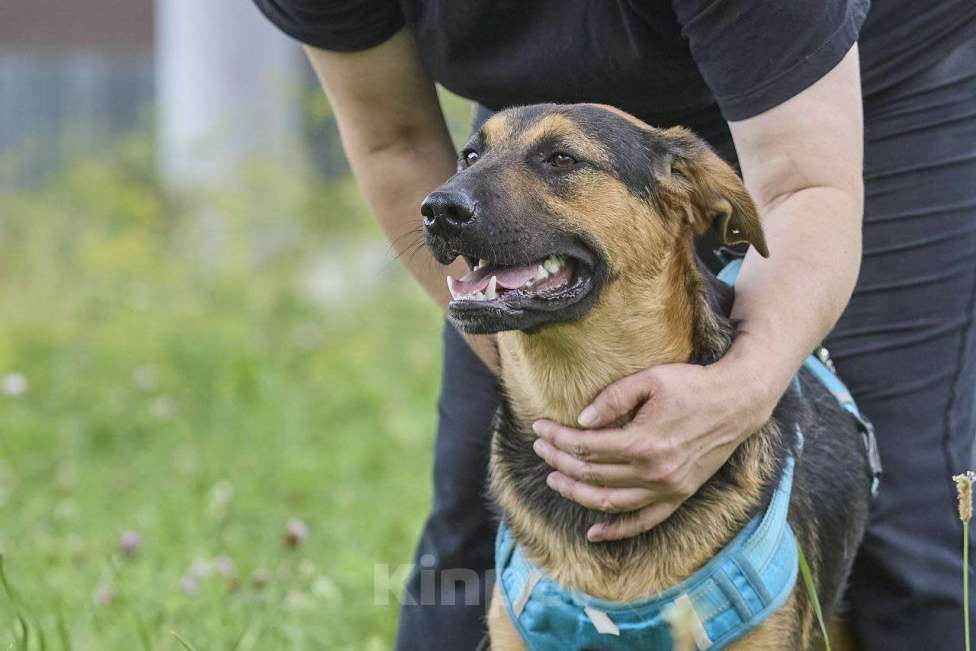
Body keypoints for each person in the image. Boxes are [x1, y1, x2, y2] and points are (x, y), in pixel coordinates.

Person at [253, 2, 976, 648]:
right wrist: (529, 361)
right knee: (467, 558)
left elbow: (801, 184)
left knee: (908, 540)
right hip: (540, 133)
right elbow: (395, 141)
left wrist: (742, 389)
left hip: (859, 95)